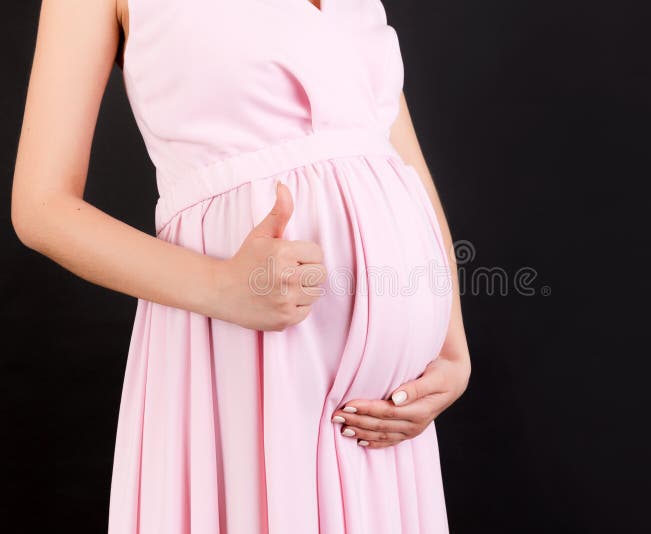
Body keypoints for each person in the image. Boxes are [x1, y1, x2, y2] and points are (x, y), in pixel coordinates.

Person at [10, 0, 472, 531]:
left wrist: (448, 344)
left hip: (388, 419)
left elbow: (395, 156)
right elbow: (40, 207)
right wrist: (223, 287)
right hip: (242, 360)